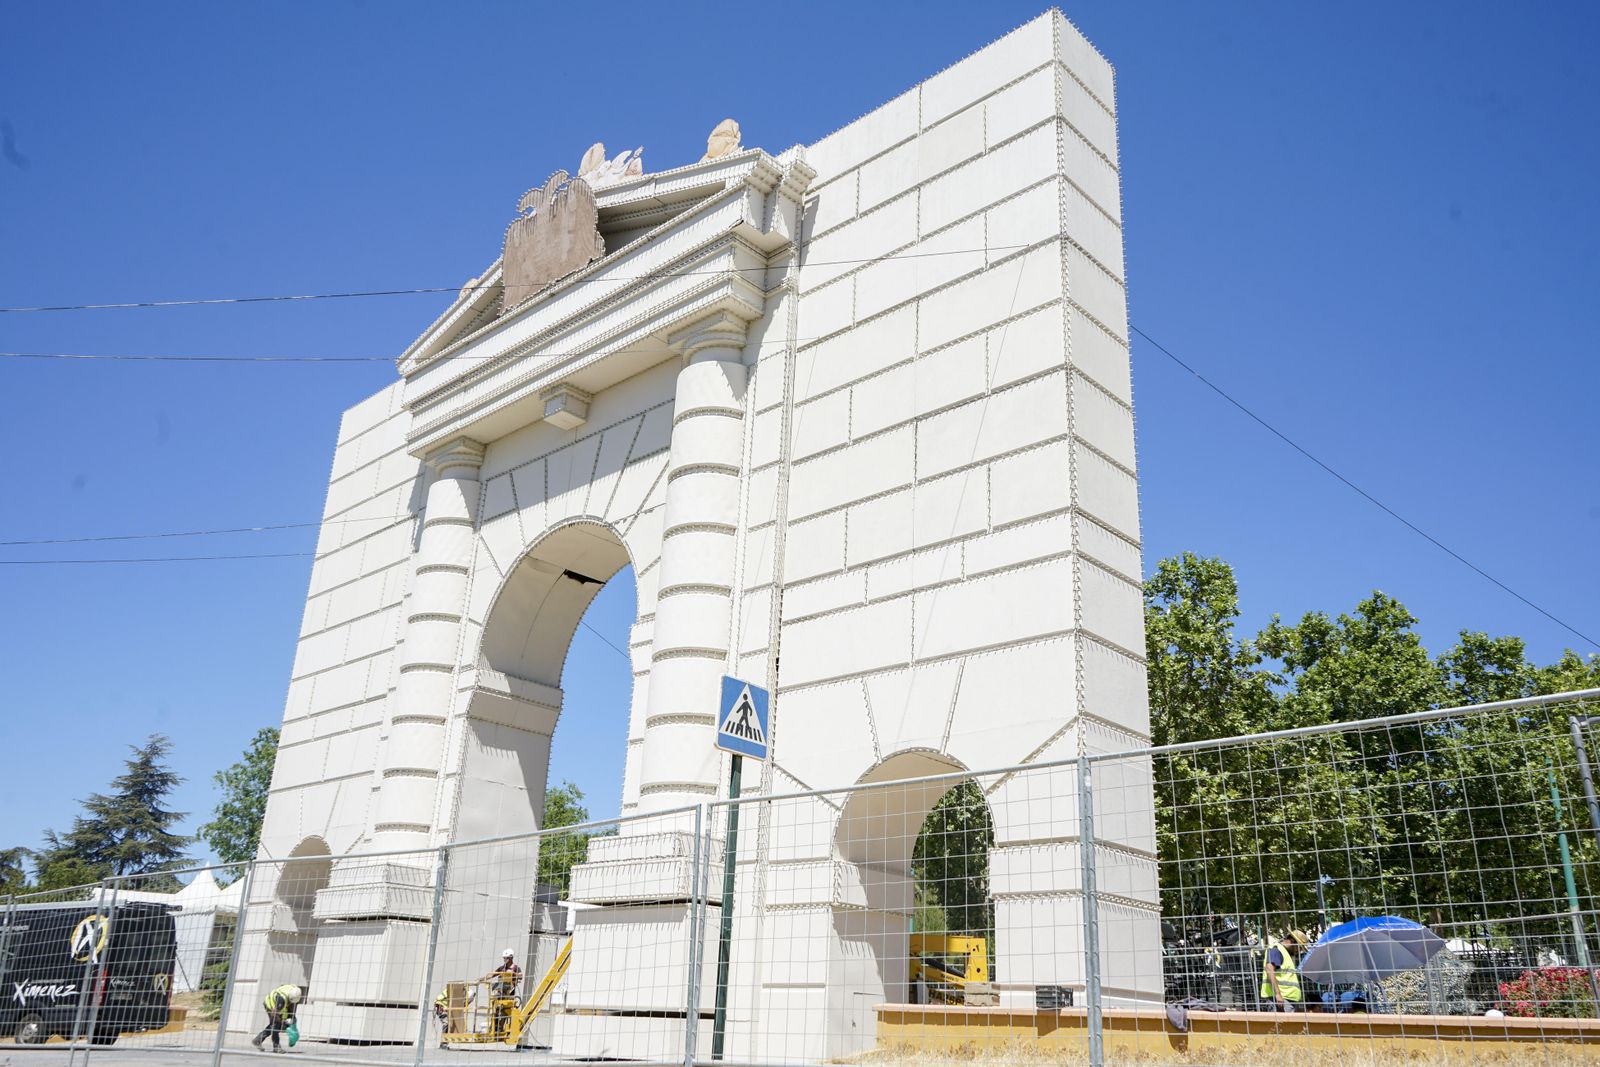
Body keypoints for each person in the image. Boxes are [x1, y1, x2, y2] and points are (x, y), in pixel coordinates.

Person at [1260, 929, 1308, 1011]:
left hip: (1287, 999)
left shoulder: (1285, 953)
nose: (1298, 951)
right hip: (1281, 999)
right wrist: (1278, 994)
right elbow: (1269, 969)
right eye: (1299, 947)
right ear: (1293, 941)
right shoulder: (1276, 949)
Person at [253, 983, 301, 1053]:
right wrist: (282, 1021)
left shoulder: (294, 989)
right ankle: (276, 1047)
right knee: (275, 1025)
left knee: (279, 1024)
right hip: (270, 1004)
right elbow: (274, 1014)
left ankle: (258, 1040)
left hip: (279, 1005)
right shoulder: (282, 1000)